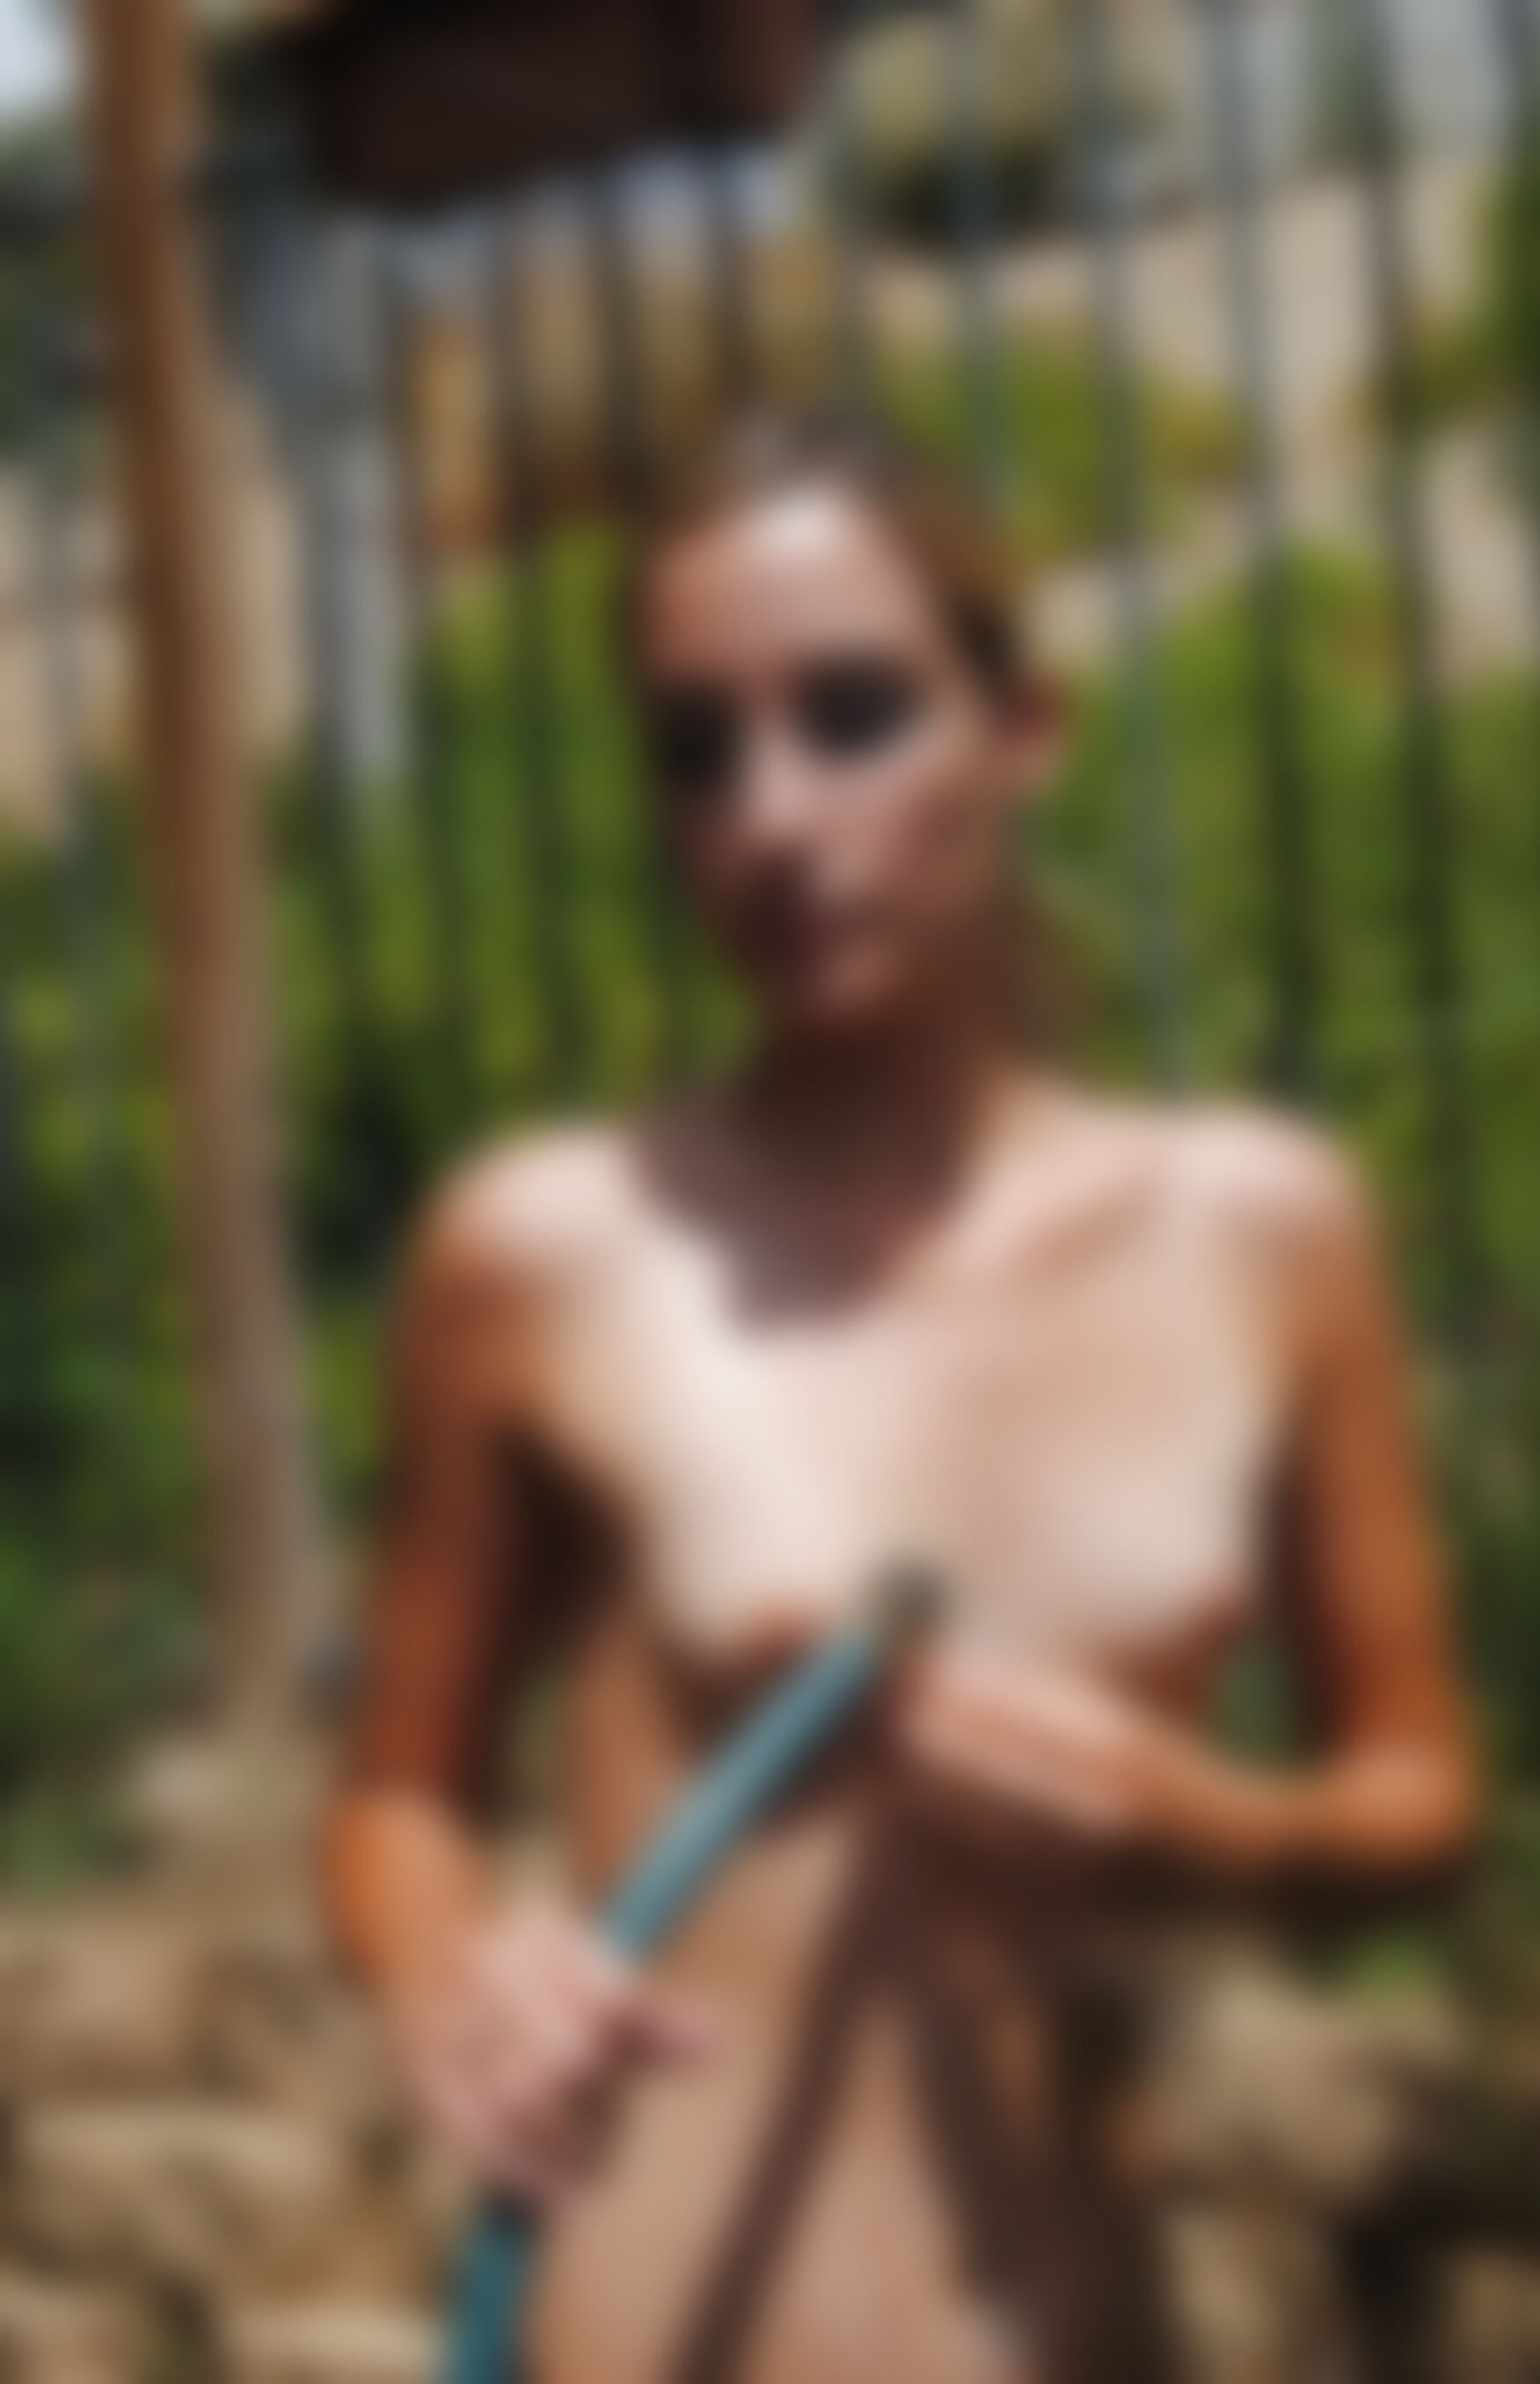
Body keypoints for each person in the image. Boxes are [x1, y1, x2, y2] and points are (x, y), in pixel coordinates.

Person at [323, 410, 1478, 2384]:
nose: (771, 815)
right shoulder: (545, 1252)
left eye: (852, 713)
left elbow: (1418, 1798)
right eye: (697, 748)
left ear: (1019, 730)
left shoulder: (1260, 1231)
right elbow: (395, 1794)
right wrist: (446, 1970)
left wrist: (1212, 1840)